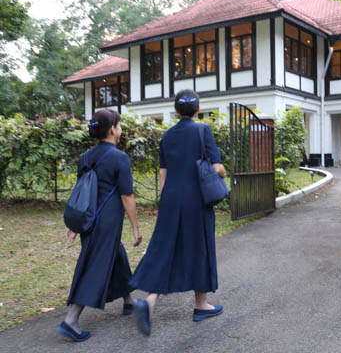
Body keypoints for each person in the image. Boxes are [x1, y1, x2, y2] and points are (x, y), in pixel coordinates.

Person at [129, 89, 226, 336]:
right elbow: (217, 168)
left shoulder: (167, 136)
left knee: (166, 248)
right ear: (197, 109)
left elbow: (164, 172)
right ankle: (201, 305)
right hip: (196, 200)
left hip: (171, 198)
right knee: (200, 246)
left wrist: (167, 198)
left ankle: (149, 301)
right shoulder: (203, 130)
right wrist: (220, 173)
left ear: (175, 111)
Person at [57, 109, 142, 342]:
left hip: (89, 220)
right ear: (113, 129)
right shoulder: (119, 158)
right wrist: (136, 227)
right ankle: (71, 320)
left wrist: (75, 224)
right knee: (96, 264)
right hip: (108, 221)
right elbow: (127, 197)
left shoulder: (85, 157)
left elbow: (83, 191)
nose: (121, 129)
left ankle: (128, 301)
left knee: (116, 255)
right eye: (120, 125)